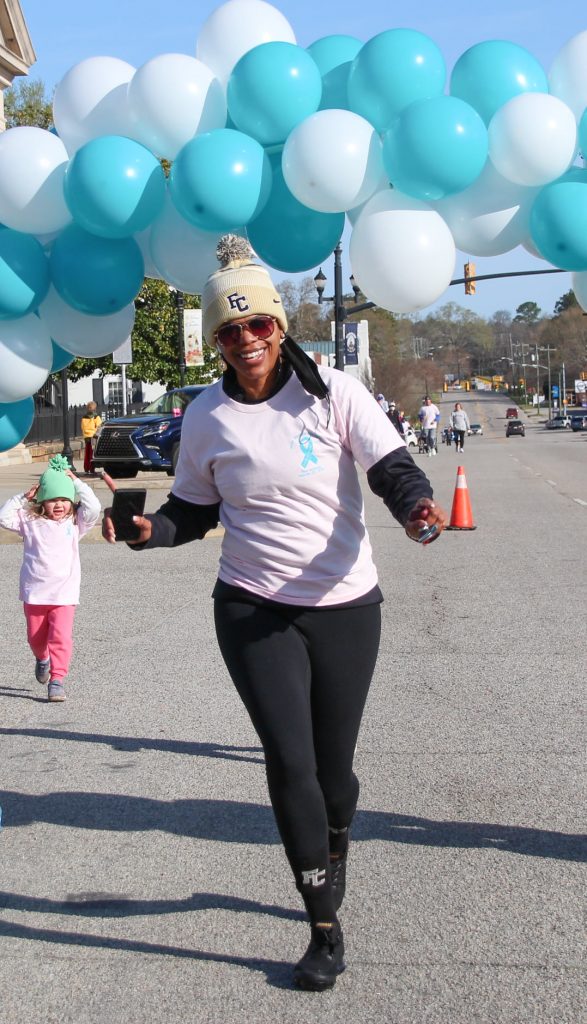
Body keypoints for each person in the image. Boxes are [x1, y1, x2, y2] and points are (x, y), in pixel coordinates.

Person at [102, 235, 447, 992]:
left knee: (333, 774)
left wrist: (416, 506)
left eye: (257, 324)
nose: (246, 341)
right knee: (289, 762)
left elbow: (391, 467)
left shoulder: (334, 393)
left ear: (278, 325)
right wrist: (148, 530)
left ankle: (336, 834)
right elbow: (192, 510)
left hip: (343, 604)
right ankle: (322, 924)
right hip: (251, 607)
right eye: (229, 331)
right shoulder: (207, 416)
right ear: (216, 342)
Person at [0, 454, 101, 702]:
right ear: (42, 501)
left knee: (61, 638)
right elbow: (3, 517)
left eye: (64, 500)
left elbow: (94, 508)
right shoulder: (30, 521)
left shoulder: (74, 523)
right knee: (36, 639)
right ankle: (42, 658)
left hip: (64, 594)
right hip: (35, 592)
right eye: (53, 499)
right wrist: (23, 497)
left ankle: (57, 679)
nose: (59, 505)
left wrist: (76, 482)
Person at [80, 401, 102, 475]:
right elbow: (99, 426)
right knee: (92, 453)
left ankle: (86, 468)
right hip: (93, 437)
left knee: (87, 453)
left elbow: (82, 427)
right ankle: (92, 469)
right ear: (95, 408)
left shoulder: (84, 417)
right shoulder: (96, 417)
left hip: (86, 437)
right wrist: (97, 434)